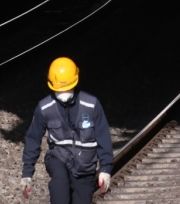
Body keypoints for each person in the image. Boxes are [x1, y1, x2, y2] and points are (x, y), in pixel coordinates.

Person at [21, 58, 113, 203]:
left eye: (67, 87)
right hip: (58, 158)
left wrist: (105, 169)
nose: (63, 92)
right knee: (60, 182)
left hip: (85, 166)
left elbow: (103, 138)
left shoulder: (91, 105)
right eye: (59, 89)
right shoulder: (45, 108)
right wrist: (27, 172)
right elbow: (33, 138)